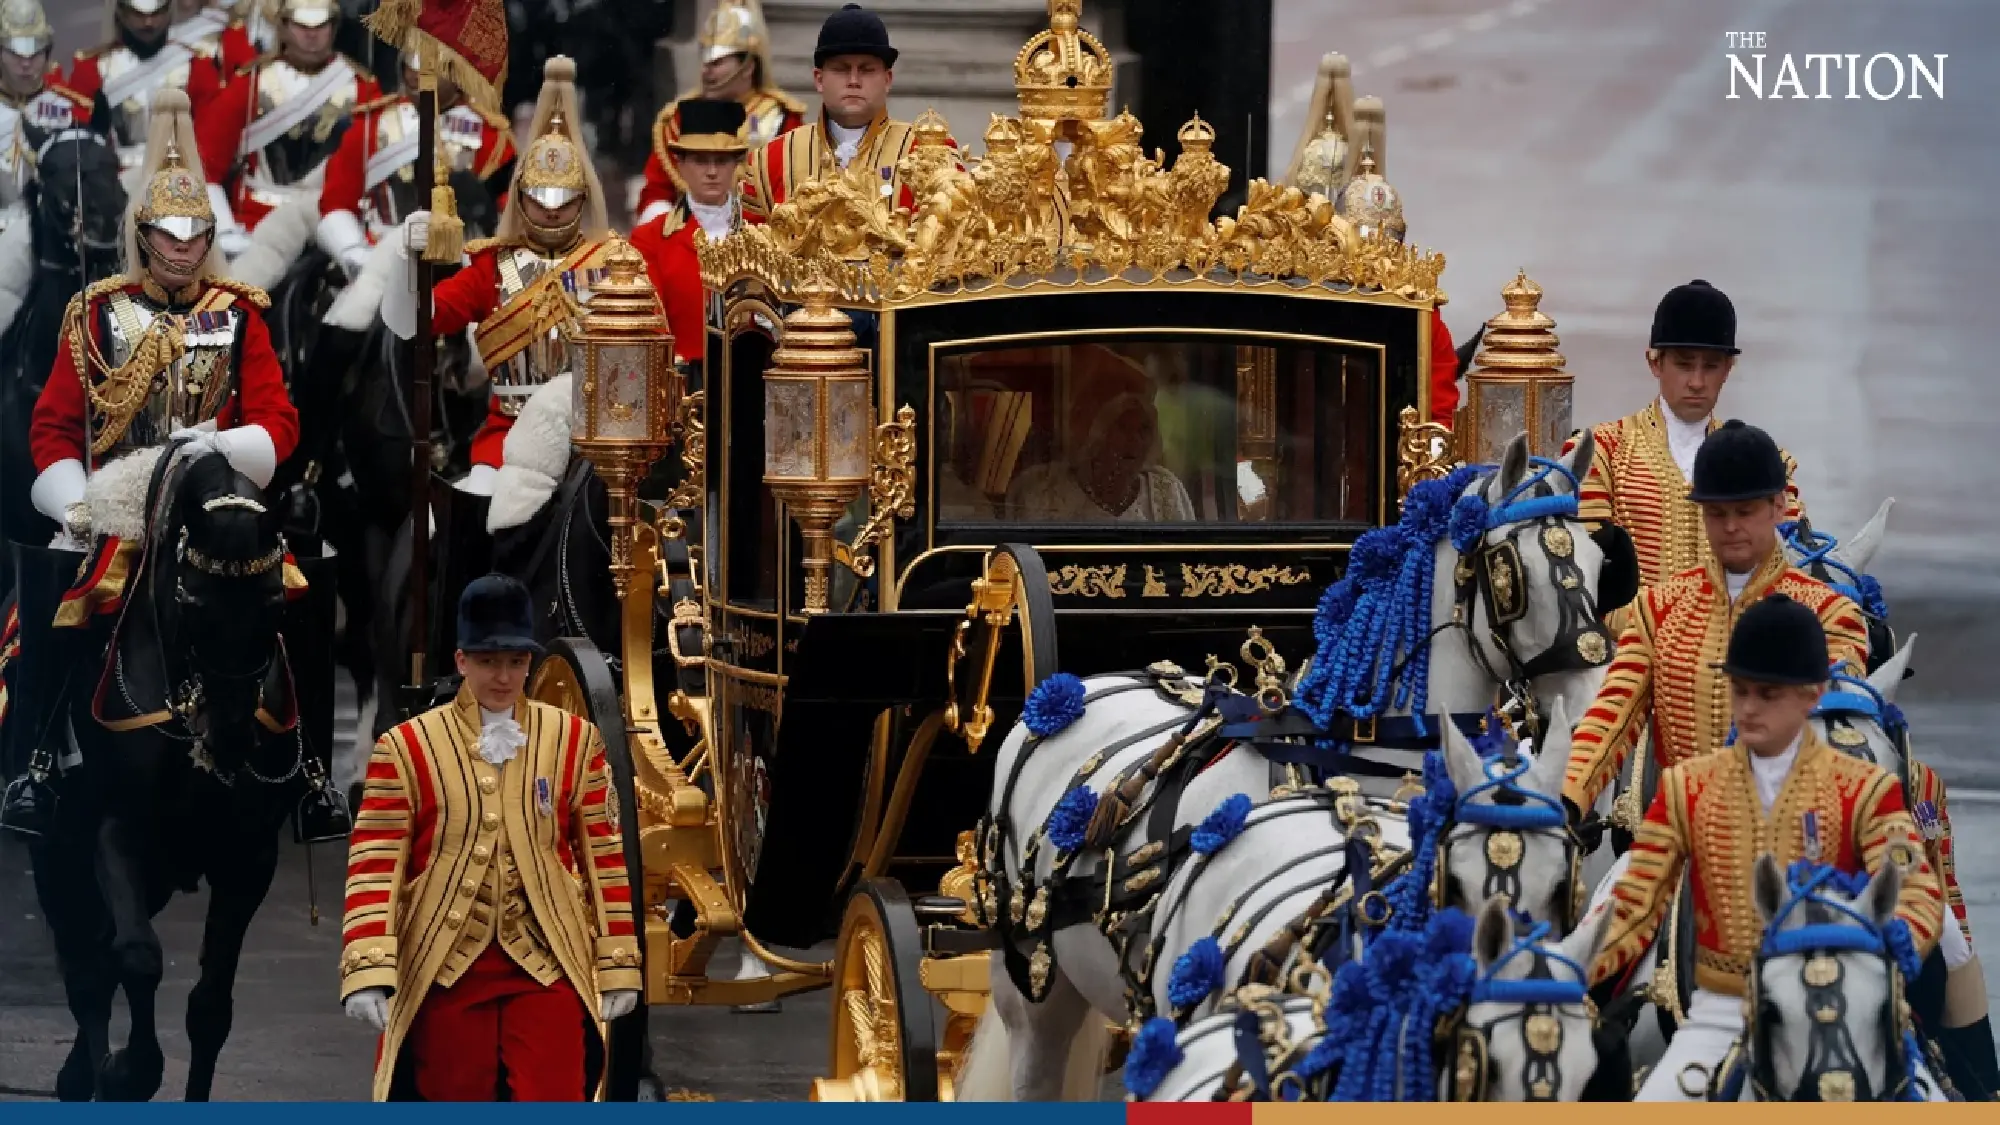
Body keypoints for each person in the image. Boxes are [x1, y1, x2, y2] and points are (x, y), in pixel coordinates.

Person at [1586, 595, 1945, 1100]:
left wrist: (1879, 948)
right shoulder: (1687, 787)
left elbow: (1916, 891)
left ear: (1811, 694)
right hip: (1720, 1014)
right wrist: (1570, 972)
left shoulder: (1865, 788)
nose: (1749, 708)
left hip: (1847, 999)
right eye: (1741, 691)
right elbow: (1635, 904)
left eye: (1769, 694)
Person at [339, 574, 641, 1101]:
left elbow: (605, 857)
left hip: (546, 964)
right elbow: (376, 862)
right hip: (446, 966)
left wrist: (617, 962)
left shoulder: (574, 739)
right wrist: (369, 965)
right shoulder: (406, 747)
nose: (503, 677)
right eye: (488, 661)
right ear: (461, 661)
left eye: (516, 662)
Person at [28, 86, 297, 559]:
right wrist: (78, 509)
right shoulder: (96, 312)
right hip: (109, 516)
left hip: (215, 503)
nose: (182, 246)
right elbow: (54, 427)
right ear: (144, 234)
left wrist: (218, 446)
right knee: (43, 620)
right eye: (169, 233)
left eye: (195, 234)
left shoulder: (240, 314)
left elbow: (277, 422)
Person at [1561, 420, 1868, 818]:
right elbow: (1610, 717)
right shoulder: (1660, 608)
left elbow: (1841, 735)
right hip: (1680, 832)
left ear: (1779, 507)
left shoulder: (1829, 614)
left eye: (1745, 511)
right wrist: (1566, 800)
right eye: (1717, 513)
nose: (1731, 527)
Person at [382, 56, 618, 495]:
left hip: (598, 447)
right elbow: (413, 322)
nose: (551, 209)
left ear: (583, 199)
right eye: (539, 196)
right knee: (459, 524)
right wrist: (405, 261)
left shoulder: (618, 264)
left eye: (564, 198)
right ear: (520, 197)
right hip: (506, 445)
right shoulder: (491, 266)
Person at [1562, 280, 1804, 591]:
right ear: (1655, 363)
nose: (1697, 382)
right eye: (1684, 365)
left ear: (1728, 369)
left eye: (1711, 366)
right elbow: (1584, 574)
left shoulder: (1770, 463)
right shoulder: (1599, 451)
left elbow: (1788, 567)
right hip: (1624, 637)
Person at [315, 33, 514, 280]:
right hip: (378, 257)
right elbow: (336, 201)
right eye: (413, 66)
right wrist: (354, 255)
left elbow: (508, 212)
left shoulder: (491, 136)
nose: (420, 77)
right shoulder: (372, 124)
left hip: (459, 264)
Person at [193, 0, 378, 251]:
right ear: (283, 27)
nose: (311, 35)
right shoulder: (252, 83)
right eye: (301, 25)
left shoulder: (363, 87)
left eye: (321, 25)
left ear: (334, 28)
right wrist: (225, 232)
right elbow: (205, 163)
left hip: (328, 219)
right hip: (256, 219)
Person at [737, 3, 944, 223]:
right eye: (841, 69)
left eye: (866, 69)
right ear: (819, 79)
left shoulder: (928, 154)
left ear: (887, 79)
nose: (853, 81)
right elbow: (749, 252)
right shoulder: (769, 161)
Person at [635, 0, 802, 226]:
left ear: (749, 66)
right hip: (684, 238)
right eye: (704, 59)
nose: (706, 69)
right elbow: (656, 191)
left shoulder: (783, 118)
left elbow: (793, 192)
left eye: (717, 61)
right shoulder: (677, 117)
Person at [1004, 348, 1196, 522]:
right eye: (1122, 426)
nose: (1135, 440)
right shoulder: (1041, 491)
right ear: (1093, 433)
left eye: (1144, 429)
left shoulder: (1166, 491)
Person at [628, 97, 745, 366]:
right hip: (681, 387)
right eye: (701, 161)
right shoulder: (649, 239)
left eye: (721, 160)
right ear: (680, 163)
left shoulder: (763, 235)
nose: (712, 172)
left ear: (736, 164)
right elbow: (650, 326)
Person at [67, 0, 228, 173]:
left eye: (156, 14)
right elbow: (79, 140)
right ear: (122, 12)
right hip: (116, 177)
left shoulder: (195, 64)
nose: (148, 23)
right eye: (139, 15)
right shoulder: (95, 67)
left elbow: (211, 134)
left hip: (180, 177)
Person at [0, 0, 92, 236]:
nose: (26, 64)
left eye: (35, 51)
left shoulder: (71, 108)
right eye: (15, 52)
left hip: (60, 233)